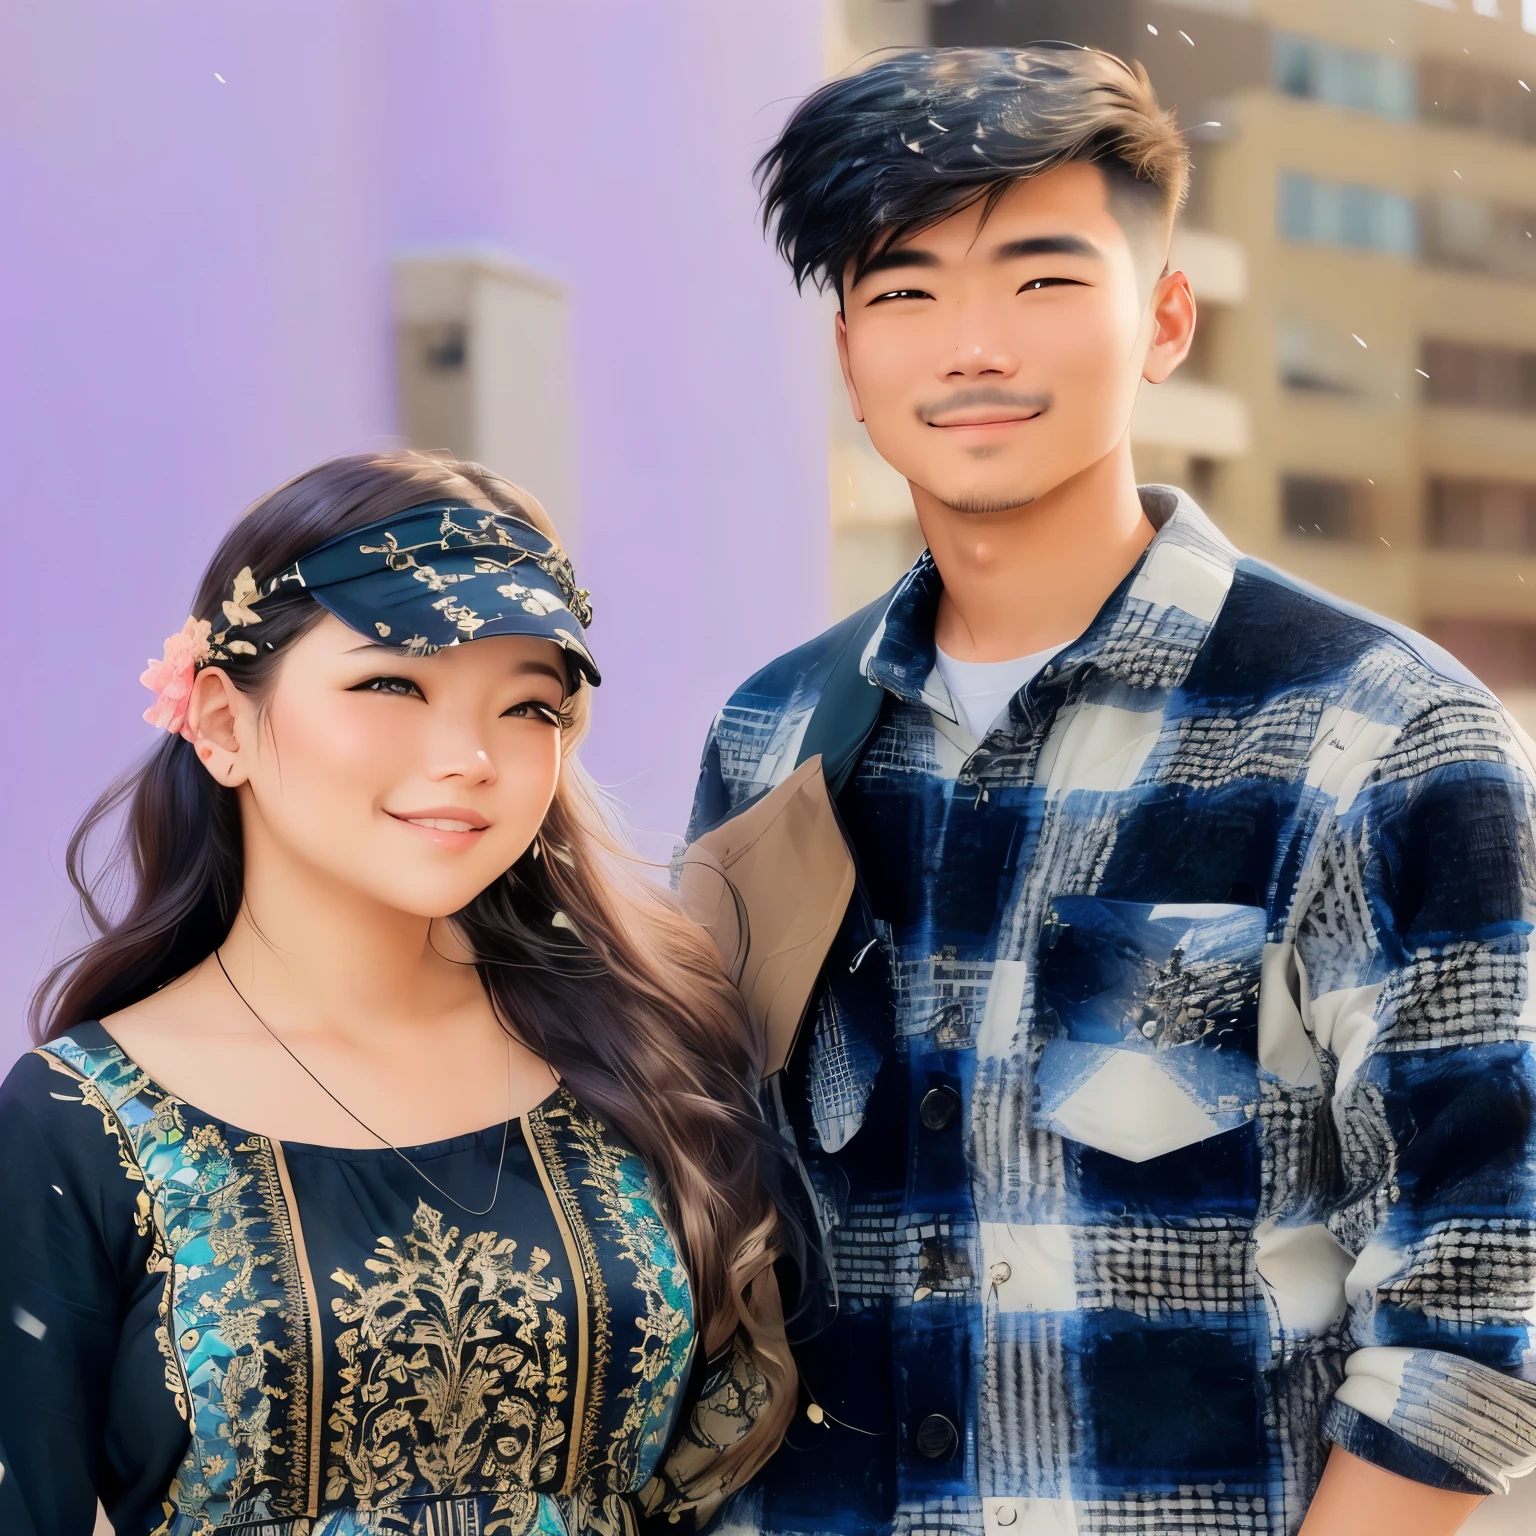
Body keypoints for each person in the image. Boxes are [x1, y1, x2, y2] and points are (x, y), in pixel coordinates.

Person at [682, 44, 1536, 1536]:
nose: (972, 346)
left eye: (1041, 278)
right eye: (904, 291)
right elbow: (718, 1204)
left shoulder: (1375, 737)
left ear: (1164, 318)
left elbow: (1479, 1279)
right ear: (849, 354)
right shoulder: (770, 738)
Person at [0, 450, 796, 1536]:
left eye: (529, 707)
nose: (471, 755)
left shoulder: (648, 1056)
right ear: (225, 725)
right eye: (391, 684)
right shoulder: (77, 1119)